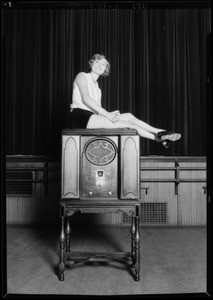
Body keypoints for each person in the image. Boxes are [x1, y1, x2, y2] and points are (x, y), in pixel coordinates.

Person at [70, 53, 181, 149]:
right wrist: (108, 114)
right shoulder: (82, 75)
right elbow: (86, 98)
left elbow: (97, 110)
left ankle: (160, 132)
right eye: (97, 62)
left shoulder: (98, 88)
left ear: (105, 70)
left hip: (93, 117)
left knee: (128, 116)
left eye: (103, 64)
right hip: (81, 116)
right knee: (126, 124)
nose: (100, 65)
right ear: (91, 63)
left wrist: (111, 115)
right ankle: (159, 138)